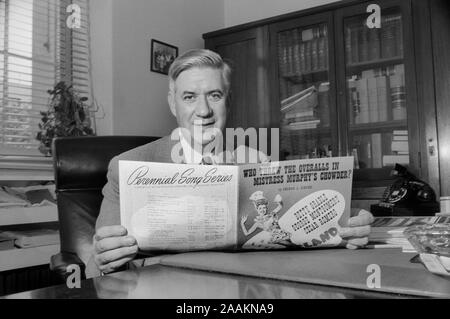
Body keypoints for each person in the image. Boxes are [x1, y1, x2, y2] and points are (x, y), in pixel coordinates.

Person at [86, 49, 374, 278]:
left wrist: (347, 227)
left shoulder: (256, 163)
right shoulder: (129, 166)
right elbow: (92, 268)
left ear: (228, 101)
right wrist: (104, 258)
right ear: (173, 104)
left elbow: (291, 234)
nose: (204, 110)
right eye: (189, 97)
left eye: (214, 95)